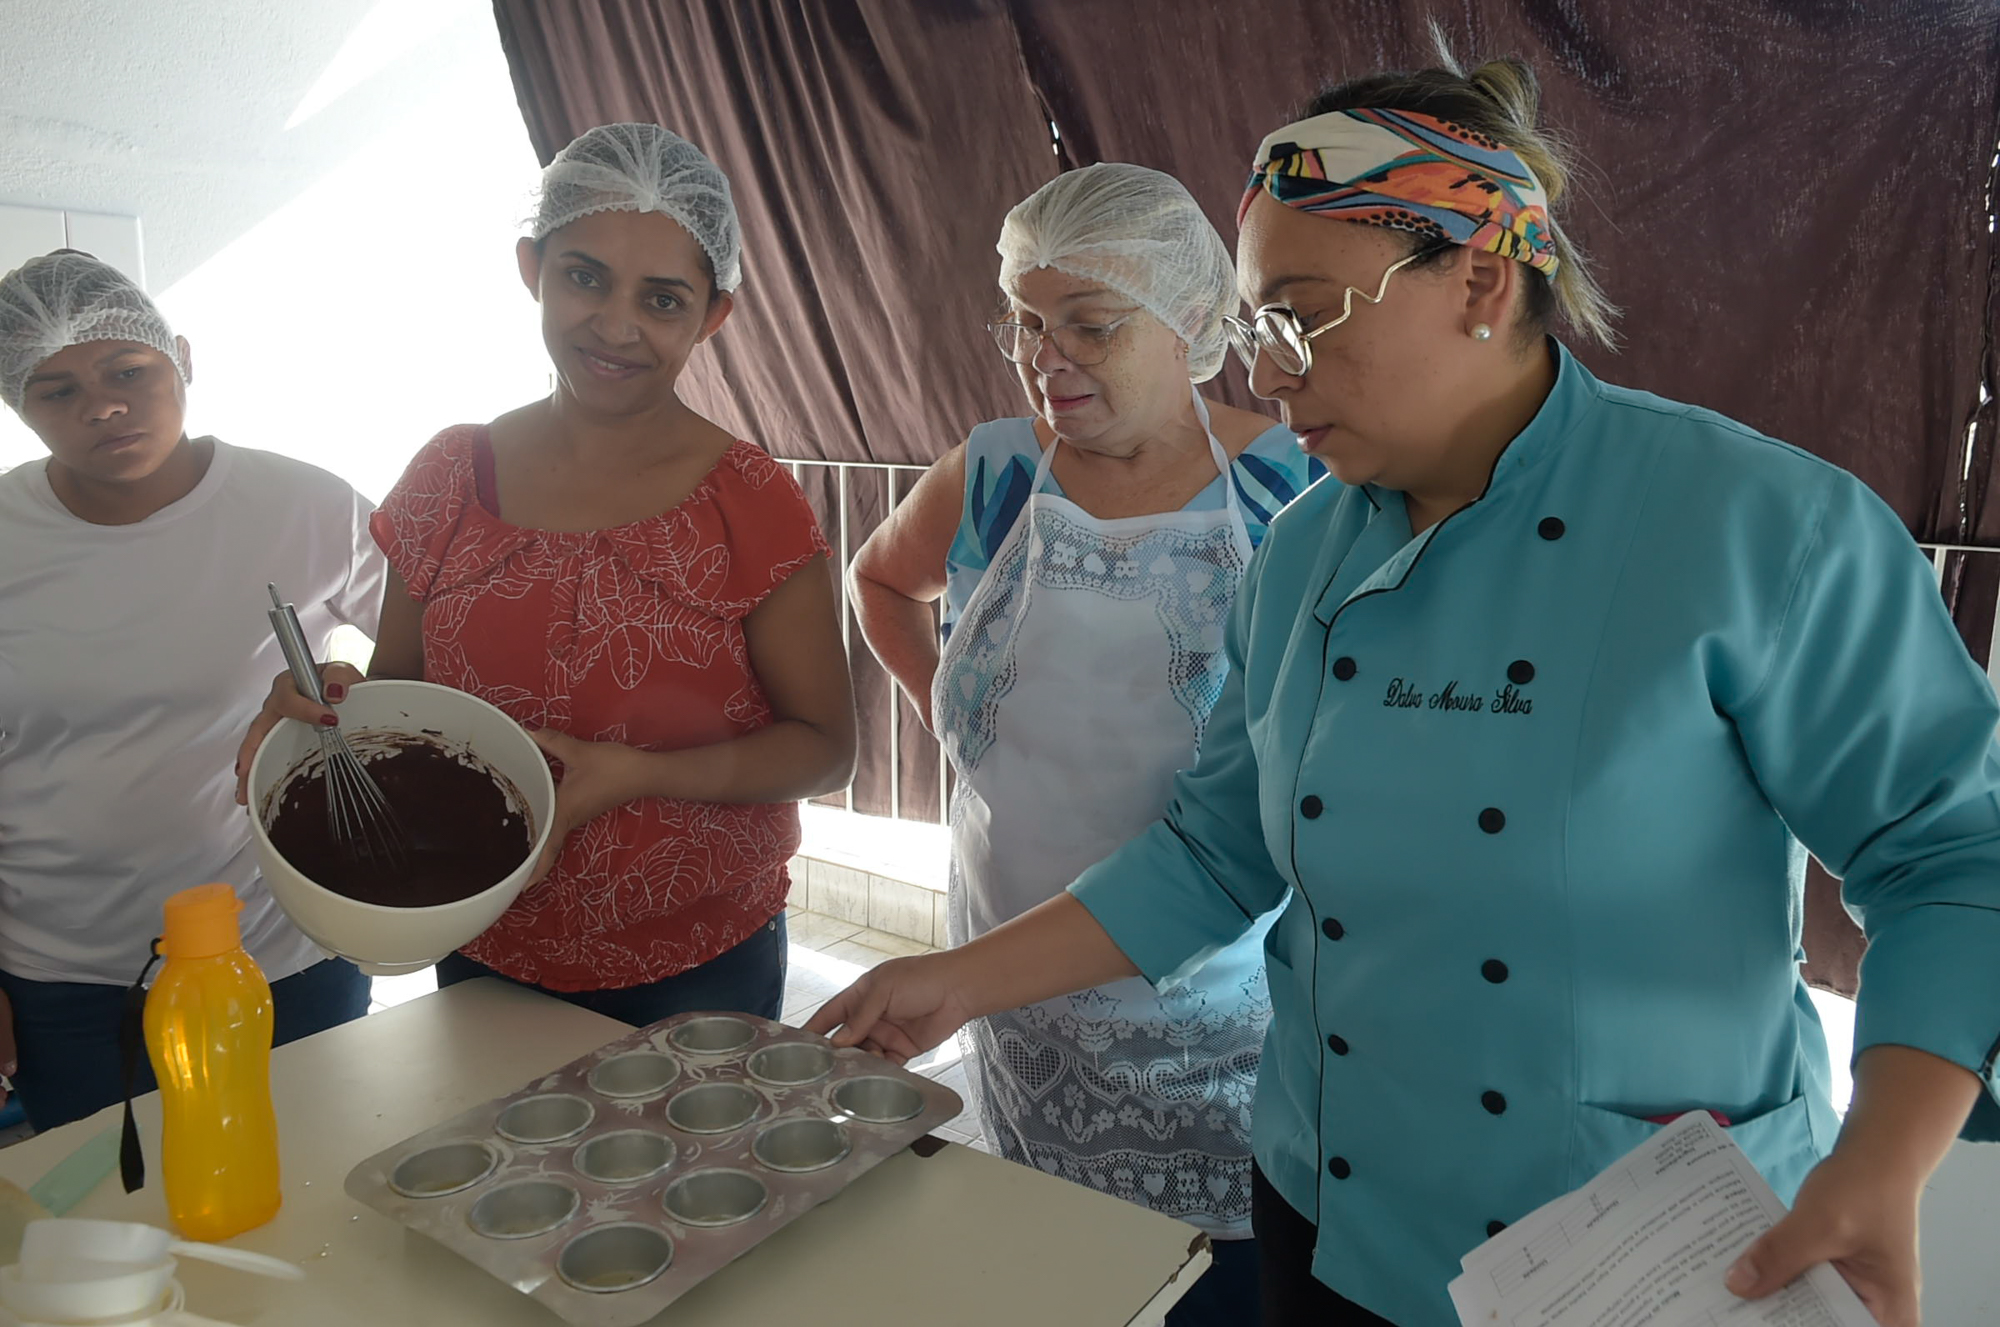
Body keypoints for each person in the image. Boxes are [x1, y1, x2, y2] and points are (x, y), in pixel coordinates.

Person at [812, 51, 2000, 1327]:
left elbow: (1950, 861)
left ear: (1478, 281)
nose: (1268, 375)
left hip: (1628, 1244)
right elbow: (1211, 854)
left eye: (1300, 317)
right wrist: (955, 981)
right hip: (1330, 1210)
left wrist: (1883, 1159)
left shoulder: (1752, 525)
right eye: (1256, 328)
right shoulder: (1301, 554)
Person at [239, 124, 855, 1026]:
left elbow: (825, 747)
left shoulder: (750, 503)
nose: (616, 325)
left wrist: (634, 773)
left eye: (663, 299)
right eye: (584, 277)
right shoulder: (448, 478)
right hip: (481, 931)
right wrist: (330, 697)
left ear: (713, 315)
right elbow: (402, 693)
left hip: (698, 956)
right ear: (532, 268)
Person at [848, 162, 1317, 1327]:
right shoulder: (995, 472)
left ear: (1194, 321)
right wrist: (957, 721)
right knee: (1053, 1261)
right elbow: (878, 579)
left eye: (1089, 325)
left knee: (1216, 1275)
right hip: (1004, 968)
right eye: (1024, 322)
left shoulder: (1292, 494)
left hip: (1214, 994)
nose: (1043, 357)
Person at [0, 250, 381, 1132]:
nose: (102, 405)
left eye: (127, 371)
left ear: (181, 357)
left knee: (319, 1174)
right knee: (113, 1200)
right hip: (67, 978)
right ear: (17, 404)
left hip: (285, 949)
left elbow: (443, 649)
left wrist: (354, 695)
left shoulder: (304, 505)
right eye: (56, 390)